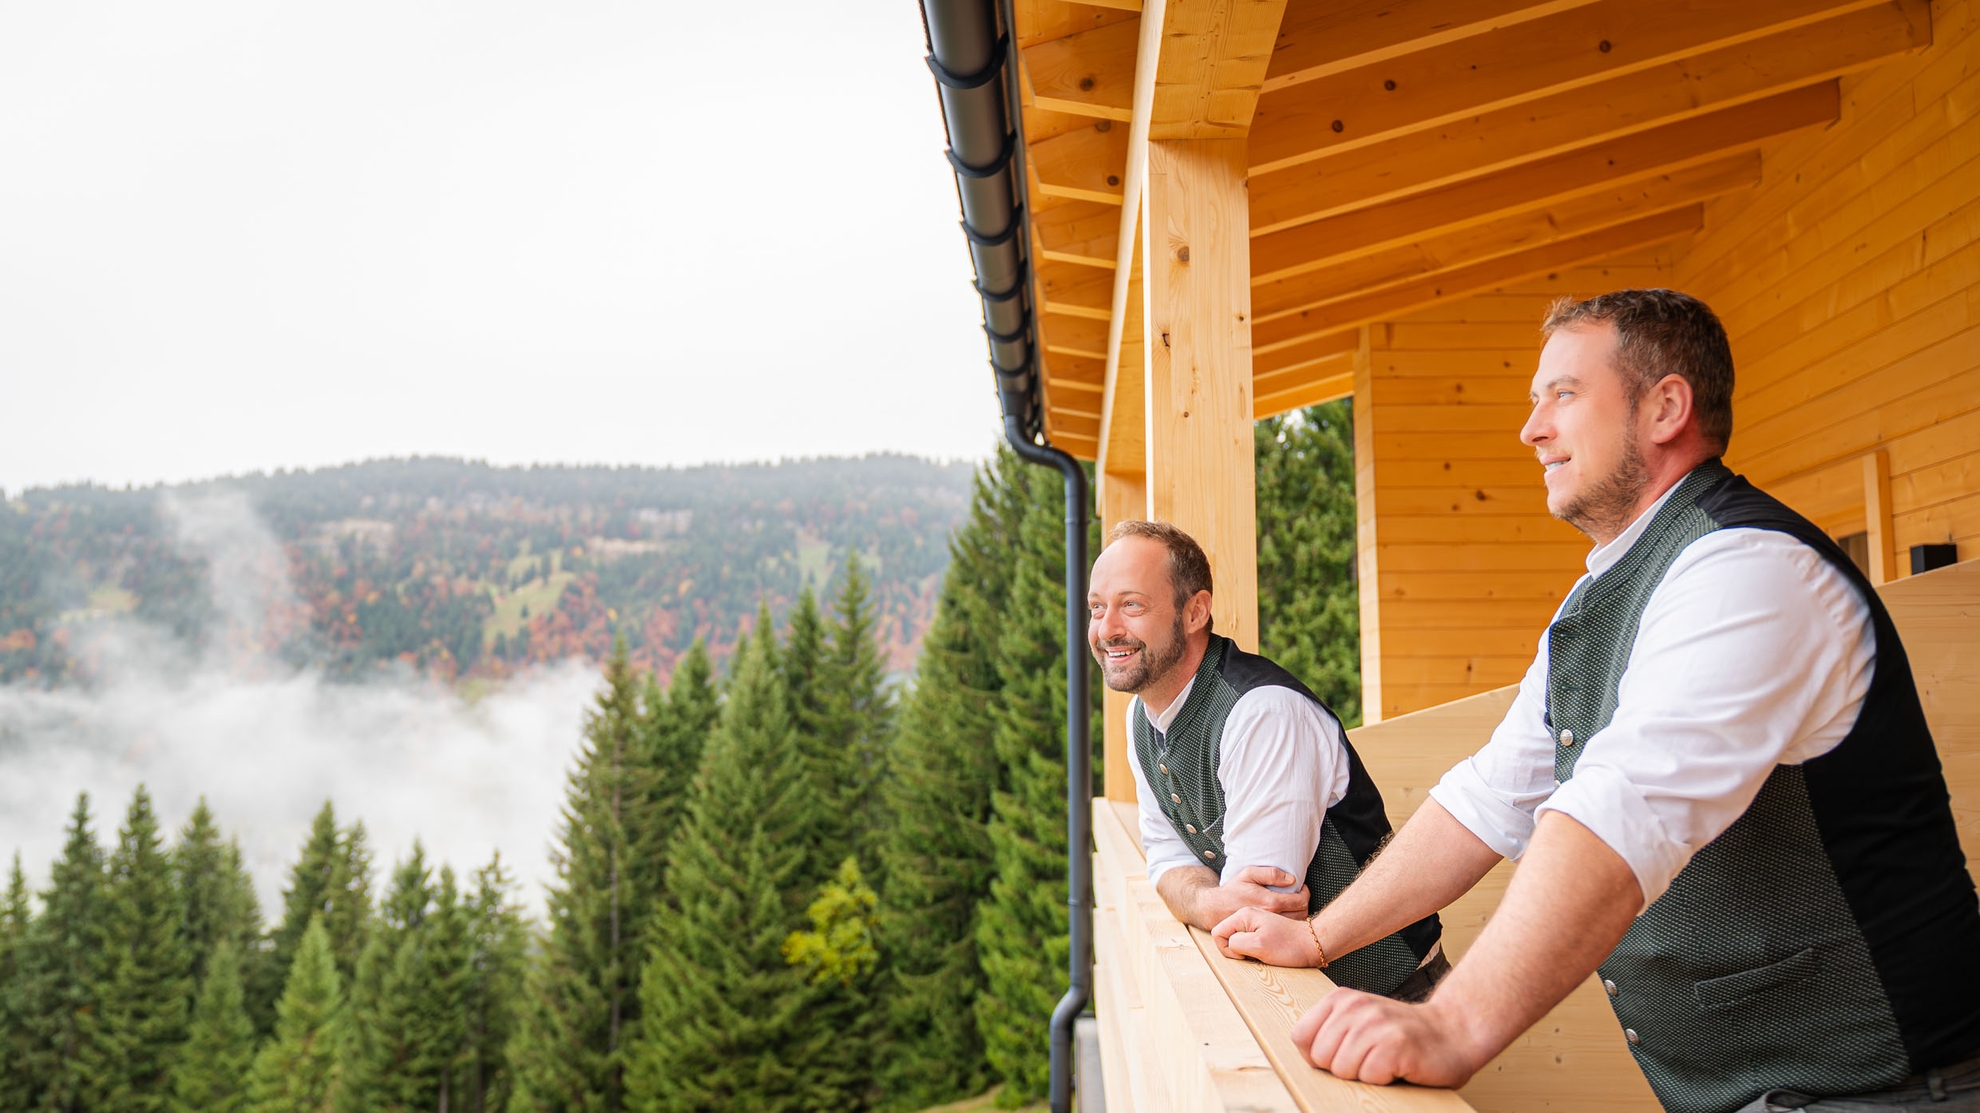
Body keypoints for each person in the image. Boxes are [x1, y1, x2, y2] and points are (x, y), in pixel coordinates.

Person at [1212, 289, 1980, 1113]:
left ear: (1666, 407)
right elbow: (1487, 799)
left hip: (1887, 1092)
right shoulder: (1601, 599)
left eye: (1562, 395)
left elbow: (1621, 809)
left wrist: (1452, 1024)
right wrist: (1319, 936)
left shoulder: (1750, 568)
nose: (1532, 428)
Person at [1089, 519, 1444, 999]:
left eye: (1131, 605)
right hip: (1299, 999)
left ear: (1195, 612)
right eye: (1096, 609)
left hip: (1398, 997)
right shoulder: (1143, 718)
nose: (1108, 629)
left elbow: (1262, 914)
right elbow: (1167, 862)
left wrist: (1199, 899)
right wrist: (1208, 900)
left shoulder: (1263, 713)